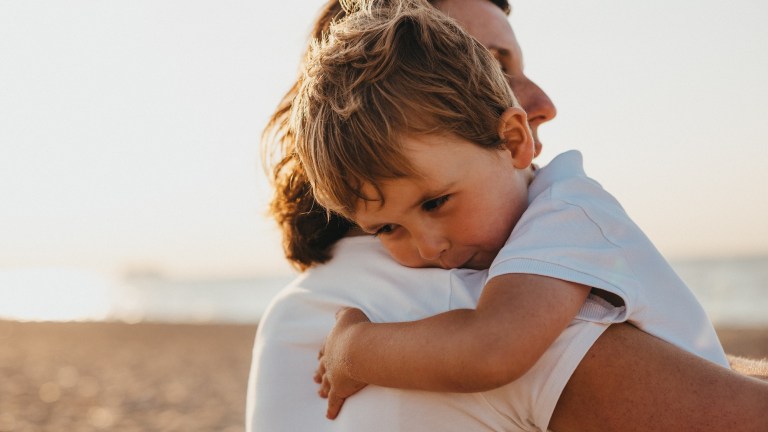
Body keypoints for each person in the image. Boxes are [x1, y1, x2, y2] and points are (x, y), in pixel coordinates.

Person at [247, 1, 768, 431]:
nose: (427, 249)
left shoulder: (560, 217)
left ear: (512, 138)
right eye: (492, 66)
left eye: (435, 203)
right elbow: (490, 347)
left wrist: (354, 348)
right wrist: (353, 348)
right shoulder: (452, 289)